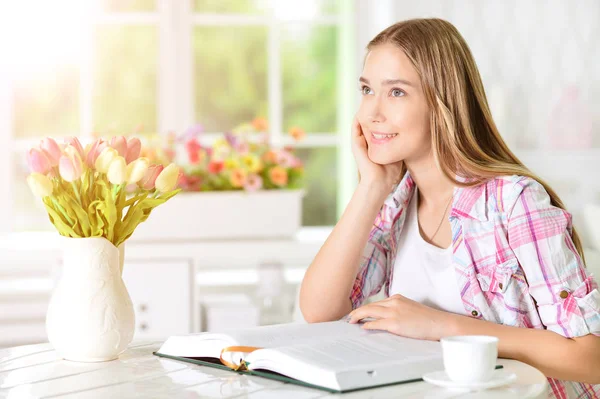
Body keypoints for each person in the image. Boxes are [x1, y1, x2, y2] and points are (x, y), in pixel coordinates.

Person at [299, 18, 600, 398]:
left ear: (443, 102)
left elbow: (591, 358)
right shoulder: (394, 200)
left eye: (396, 93)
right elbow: (318, 309)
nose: (372, 112)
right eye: (366, 89)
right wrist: (371, 187)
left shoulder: (515, 202)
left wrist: (442, 326)